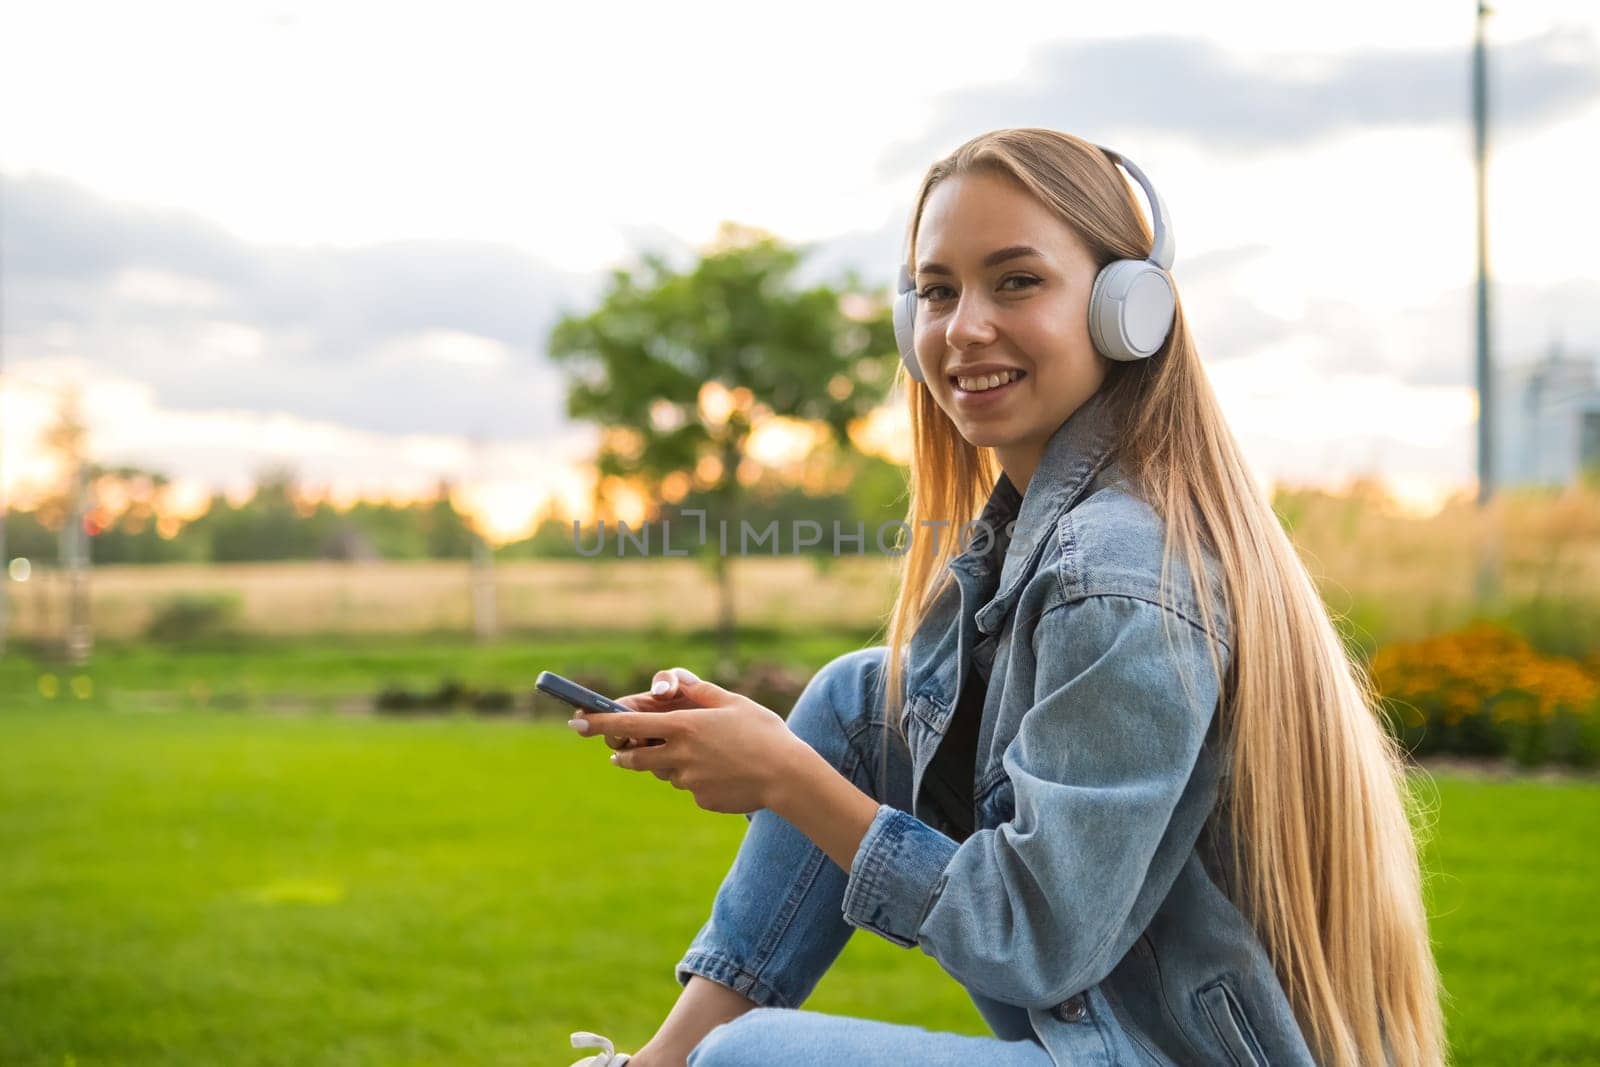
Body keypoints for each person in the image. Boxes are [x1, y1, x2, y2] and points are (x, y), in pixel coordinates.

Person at [564, 127, 1446, 1066]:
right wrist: (783, 751)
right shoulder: (1041, 536)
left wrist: (784, 776)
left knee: (753, 1060)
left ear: (1126, 309)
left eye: (1016, 281)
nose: (964, 326)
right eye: (938, 292)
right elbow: (877, 742)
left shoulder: (1115, 573)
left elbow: (1034, 938)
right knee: (862, 703)